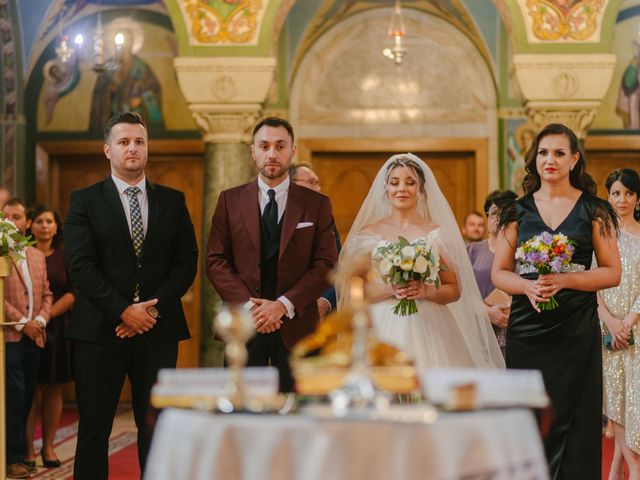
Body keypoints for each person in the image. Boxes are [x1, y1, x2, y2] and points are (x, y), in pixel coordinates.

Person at [64, 112, 198, 479]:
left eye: (139, 141)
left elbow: (187, 261)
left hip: (158, 330)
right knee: (93, 429)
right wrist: (123, 311)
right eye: (124, 142)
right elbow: (81, 265)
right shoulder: (85, 201)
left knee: (156, 428)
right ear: (107, 150)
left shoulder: (172, 200)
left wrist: (149, 312)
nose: (133, 148)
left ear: (147, 147)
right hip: (99, 331)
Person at [492, 123, 621, 480]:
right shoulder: (515, 211)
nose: (550, 160)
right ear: (534, 159)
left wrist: (564, 279)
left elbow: (612, 272)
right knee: (531, 419)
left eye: (559, 153)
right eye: (544, 152)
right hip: (528, 330)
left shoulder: (595, 210)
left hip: (576, 329)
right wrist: (527, 287)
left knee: (578, 423)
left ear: (574, 159)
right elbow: (499, 273)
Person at [206, 117, 339, 392]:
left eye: (280, 146)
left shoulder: (316, 204)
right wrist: (251, 308)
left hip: (297, 324)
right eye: (264, 146)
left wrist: (282, 305)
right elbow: (216, 260)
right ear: (252, 151)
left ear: (293, 151)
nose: (272, 154)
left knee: (299, 413)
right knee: (242, 412)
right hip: (243, 326)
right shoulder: (229, 200)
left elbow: (326, 263)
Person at [338, 153, 504, 372]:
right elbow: (354, 291)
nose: (402, 189)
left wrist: (426, 291)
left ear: (421, 190)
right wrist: (391, 288)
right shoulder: (368, 235)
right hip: (380, 327)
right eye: (394, 183)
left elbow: (453, 289)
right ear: (385, 188)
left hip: (431, 325)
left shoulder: (436, 234)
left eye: (410, 183)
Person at [3, 198, 53, 479]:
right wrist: (23, 324)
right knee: (13, 398)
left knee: (26, 399)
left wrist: (41, 321)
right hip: (11, 335)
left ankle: (20, 454)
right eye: (6, 216)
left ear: (28, 223)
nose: (11, 221)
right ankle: (11, 458)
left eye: (18, 216)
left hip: (36, 336)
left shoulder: (35, 255)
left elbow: (47, 293)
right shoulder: (0, 253)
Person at [24, 205, 74, 470]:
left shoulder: (65, 256)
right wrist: (33, 321)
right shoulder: (22, 254)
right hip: (26, 327)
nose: (44, 226)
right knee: (29, 388)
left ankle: (49, 446)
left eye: (50, 221)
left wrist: (46, 317)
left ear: (57, 227)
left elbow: (73, 292)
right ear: (31, 225)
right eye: (40, 221)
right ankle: (28, 449)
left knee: (53, 387)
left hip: (56, 328)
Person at [598, 168, 640, 480]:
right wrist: (611, 321)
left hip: (637, 328)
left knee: (634, 402)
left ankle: (619, 469)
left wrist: (629, 320)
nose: (621, 199)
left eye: (628, 193)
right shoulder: (600, 235)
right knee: (616, 401)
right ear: (608, 196)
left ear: (637, 198)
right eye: (616, 193)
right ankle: (628, 469)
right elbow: (592, 284)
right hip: (607, 330)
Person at [467, 190, 517, 357]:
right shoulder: (471, 250)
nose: (499, 218)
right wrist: (486, 312)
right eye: (494, 213)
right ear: (487, 217)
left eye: (506, 214)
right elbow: (460, 293)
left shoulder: (524, 252)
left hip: (513, 327)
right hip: (477, 326)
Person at [289, 162, 342, 317]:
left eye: (318, 183)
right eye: (311, 183)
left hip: (318, 311)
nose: (318, 189)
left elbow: (337, 266)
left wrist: (326, 300)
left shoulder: (326, 221)